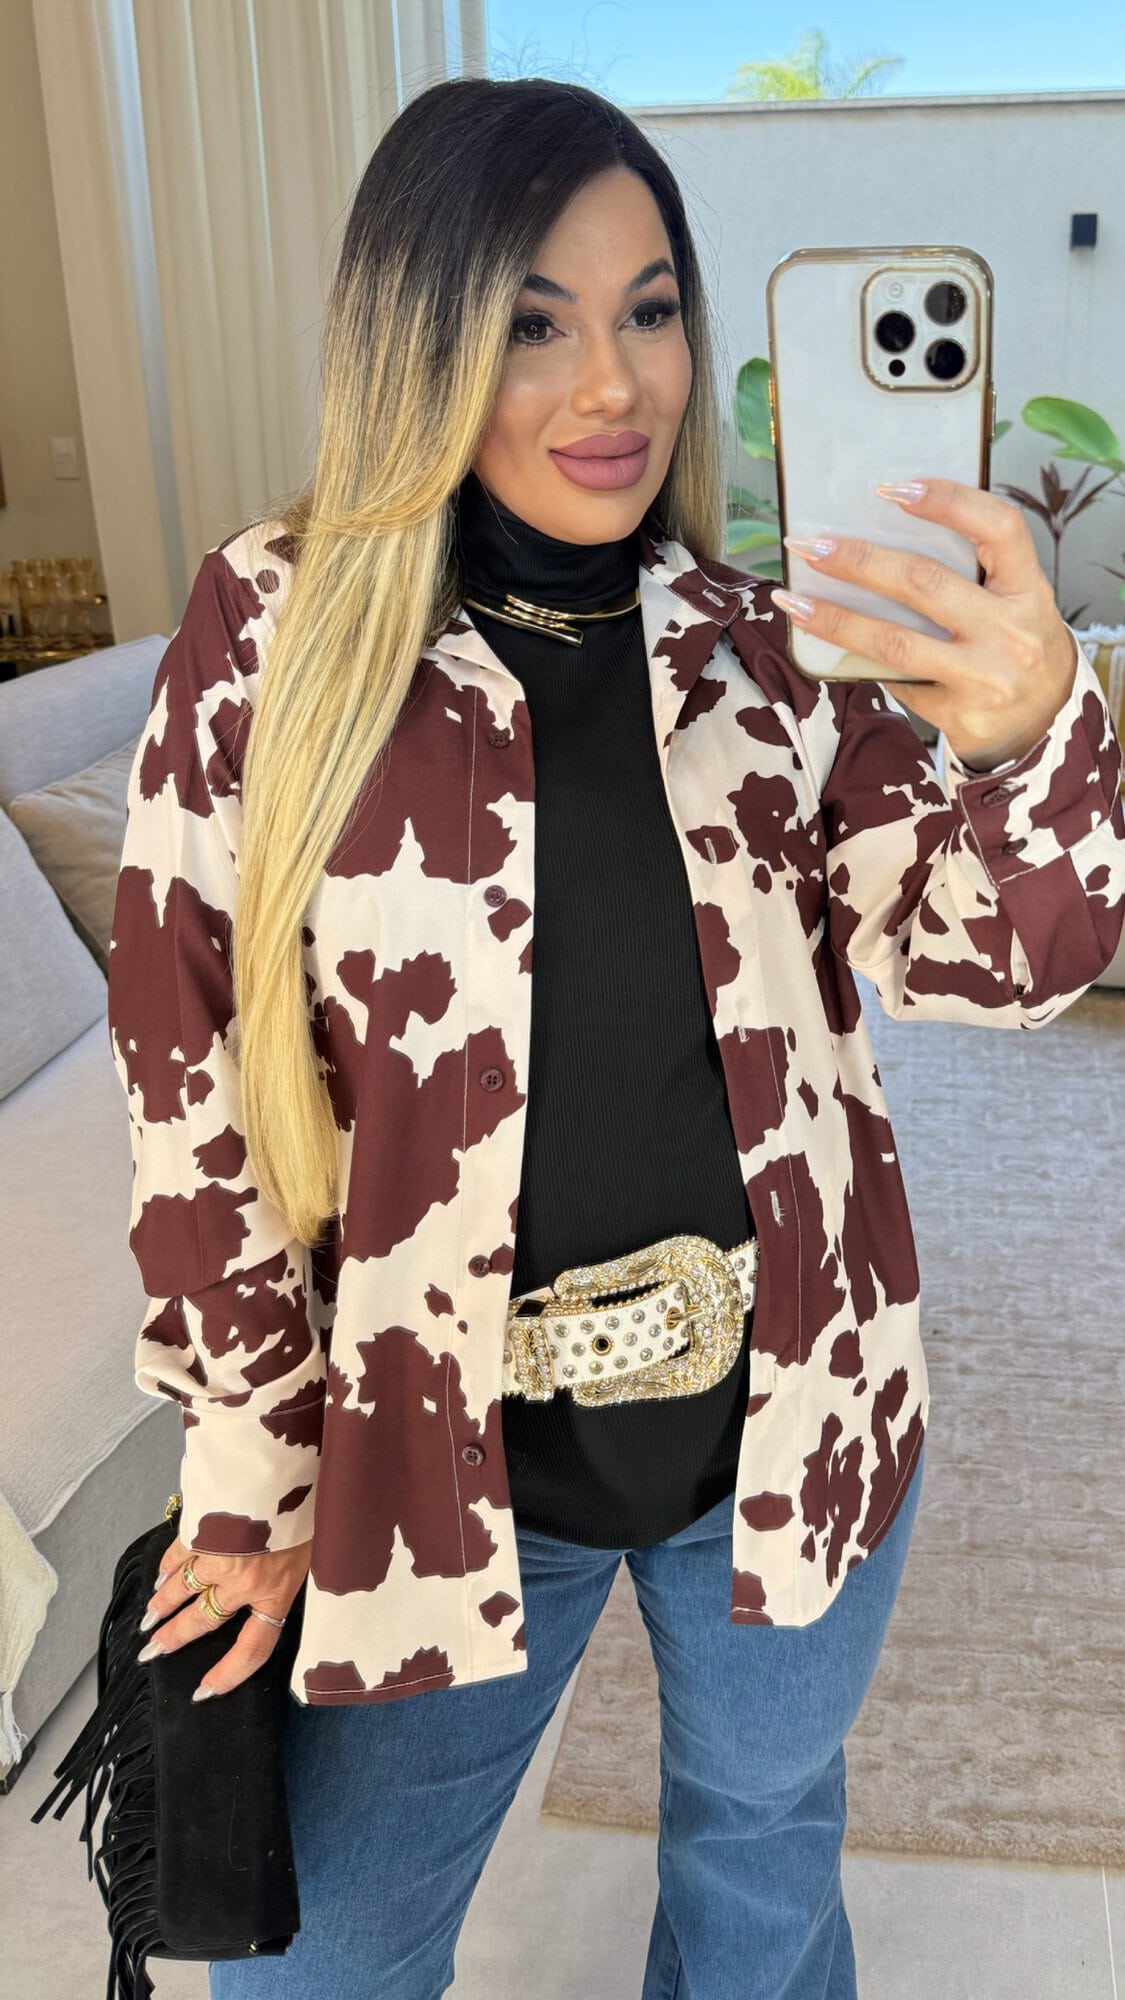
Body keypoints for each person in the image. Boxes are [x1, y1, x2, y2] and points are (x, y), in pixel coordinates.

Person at [107, 75, 1125, 2000]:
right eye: (531, 321)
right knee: (326, 1965)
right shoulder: (274, 625)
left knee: (758, 1866)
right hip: (435, 1450)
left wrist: (1031, 735)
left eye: (650, 309)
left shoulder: (769, 648)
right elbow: (188, 1074)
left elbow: (996, 969)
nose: (612, 384)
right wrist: (246, 1464)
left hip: (791, 1416)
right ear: (416, 337)